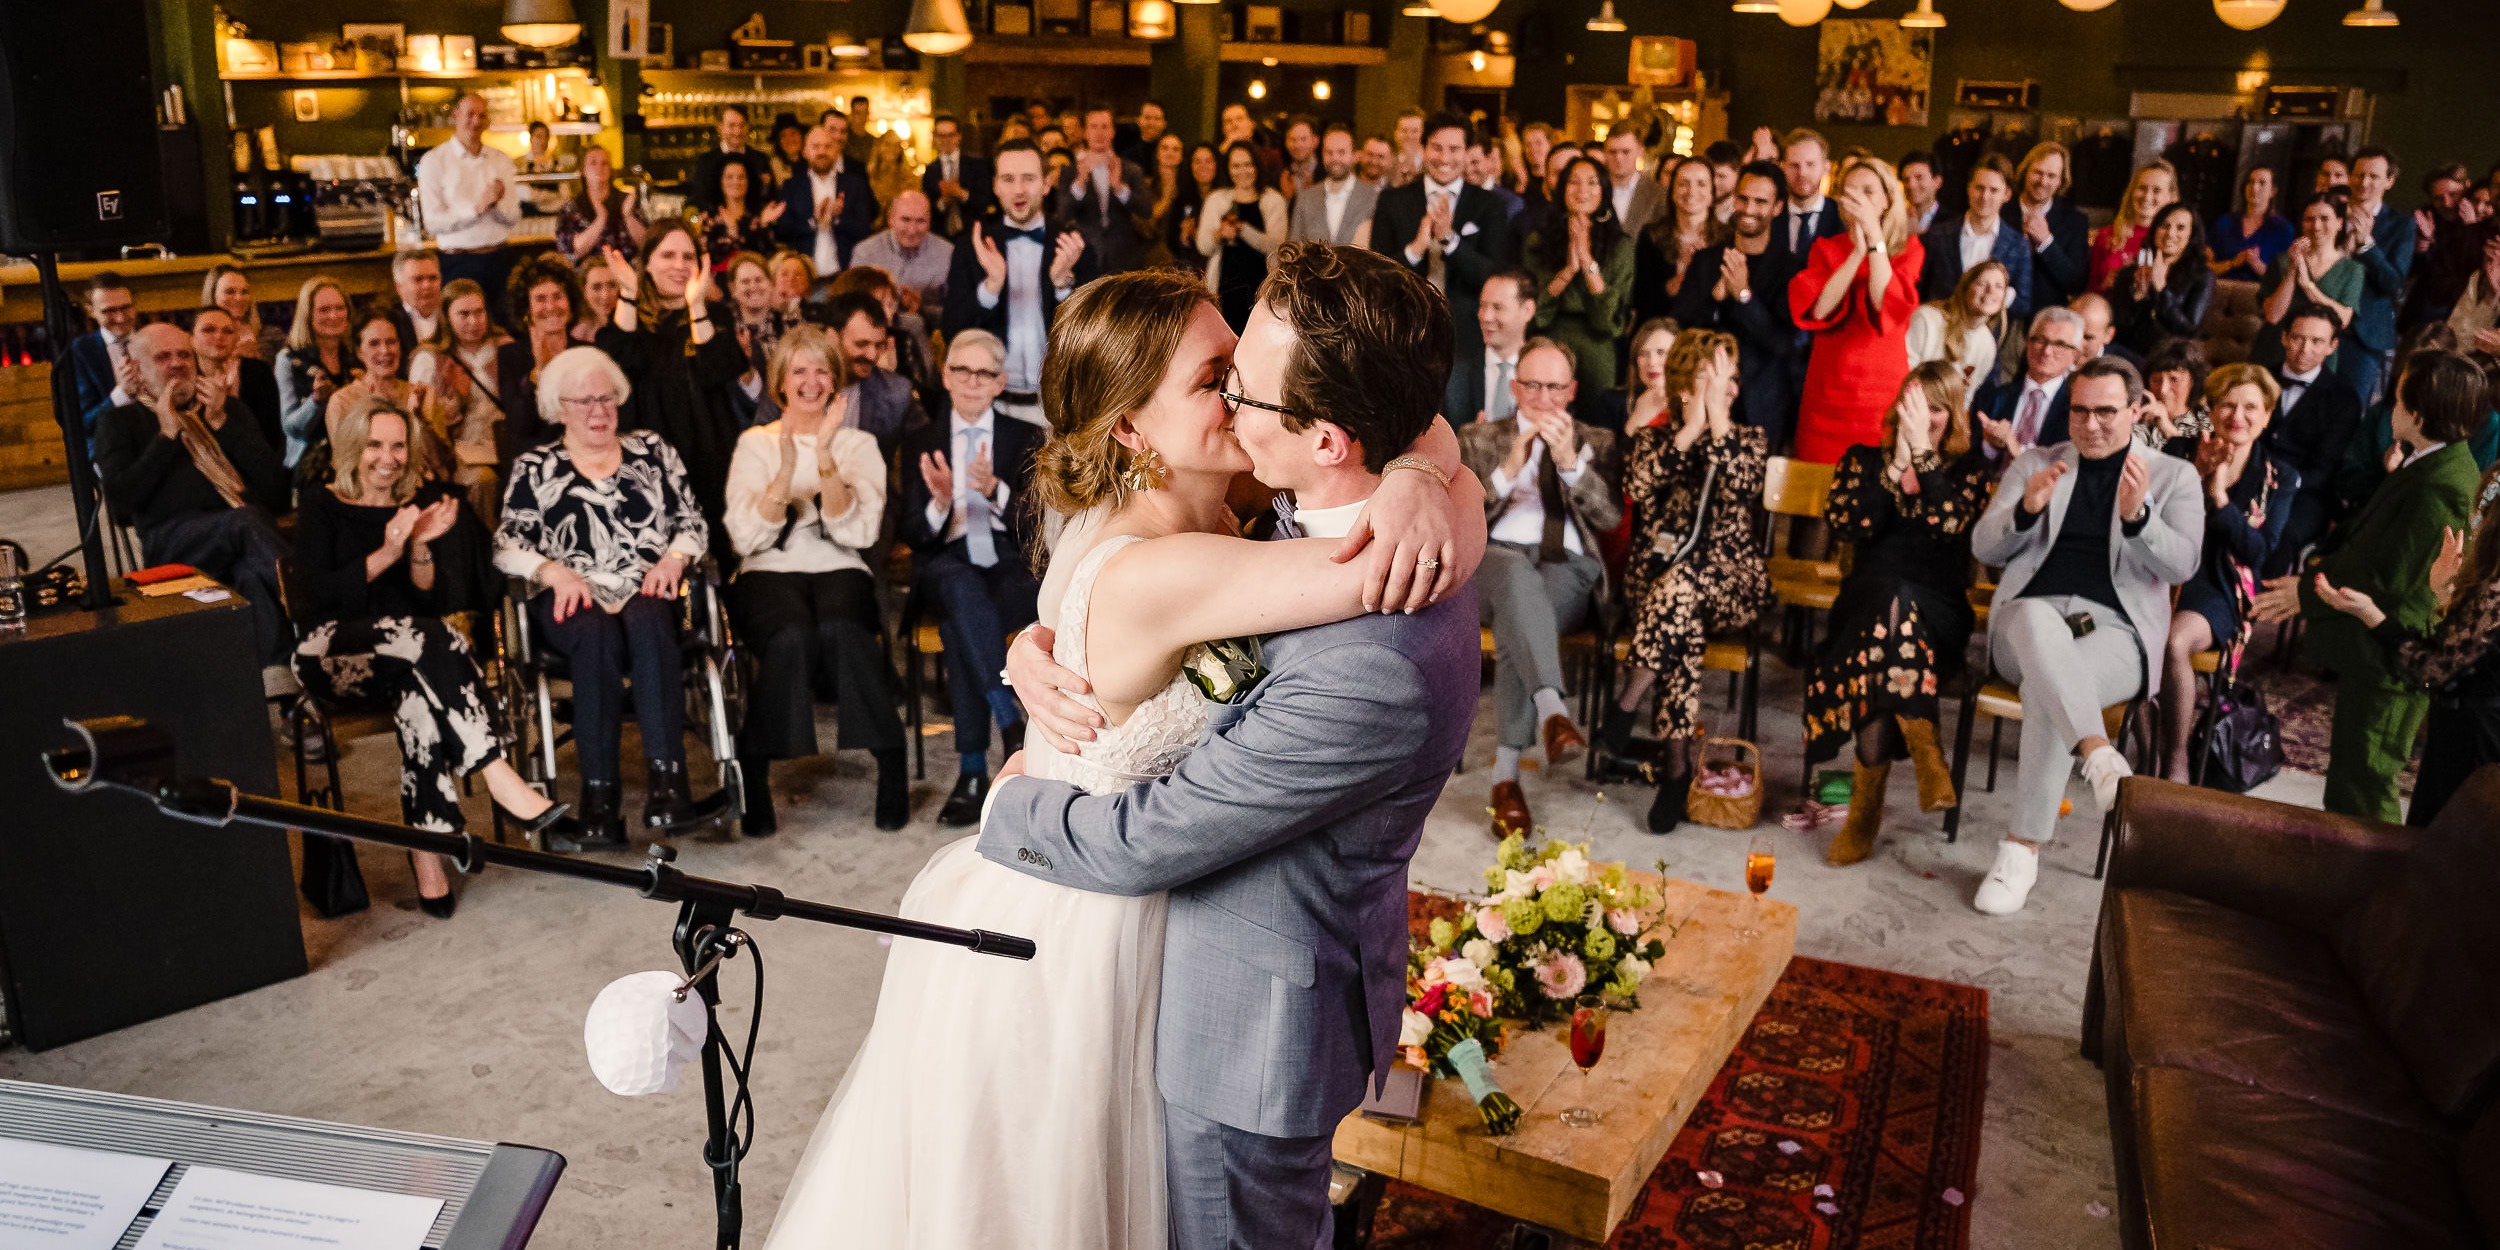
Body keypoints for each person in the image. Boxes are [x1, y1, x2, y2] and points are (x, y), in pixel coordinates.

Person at [766, 254, 1483, 1250]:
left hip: (1166, 911)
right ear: (1132, 433)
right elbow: (1388, 563)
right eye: (1211, 380)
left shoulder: (1232, 503)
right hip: (1080, 909)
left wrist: (1416, 471)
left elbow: (1391, 457)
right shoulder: (1174, 563)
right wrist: (1432, 489)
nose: (1237, 392)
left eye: (1238, 365)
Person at [292, 398, 573, 914]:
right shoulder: (320, 502)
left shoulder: (415, 504)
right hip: (328, 653)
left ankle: (429, 849)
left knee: (421, 692)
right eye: (376, 444)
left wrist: (420, 546)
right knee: (435, 639)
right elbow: (315, 599)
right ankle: (495, 769)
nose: (388, 457)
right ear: (354, 447)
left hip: (404, 658)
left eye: (398, 445)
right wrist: (390, 551)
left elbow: (429, 601)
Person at [1969, 357, 2203, 916]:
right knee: (2034, 623)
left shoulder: (2173, 476)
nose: (2091, 423)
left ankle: (2020, 850)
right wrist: (2025, 512)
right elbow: (1983, 547)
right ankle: (2097, 754)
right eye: (2080, 411)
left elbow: (2184, 565)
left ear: (2135, 410)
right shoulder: (2036, 462)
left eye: (2106, 411)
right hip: (2023, 627)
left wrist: (2139, 517)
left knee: (2048, 693)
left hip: (2117, 633)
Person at [495, 346, 721, 847]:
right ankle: (600, 801)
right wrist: (552, 572)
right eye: (584, 401)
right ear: (559, 407)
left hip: (647, 584)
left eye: (607, 399)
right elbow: (507, 544)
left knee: (647, 621)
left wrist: (674, 559)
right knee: (593, 634)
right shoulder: (536, 466)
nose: (598, 411)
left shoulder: (652, 452)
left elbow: (692, 521)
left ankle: (669, 787)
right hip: (571, 597)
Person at [2253, 349, 2483, 819]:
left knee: (2365, 785)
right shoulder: (2428, 465)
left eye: (2398, 399)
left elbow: (2391, 577)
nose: (2390, 407)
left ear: (2416, 413)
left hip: (2392, 657)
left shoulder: (2441, 484)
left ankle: (2375, 887)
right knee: (2350, 781)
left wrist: (2308, 590)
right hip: (2379, 652)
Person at [720, 327, 908, 835]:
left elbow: (860, 530)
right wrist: (784, 468)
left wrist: (824, 457)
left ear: (835, 381)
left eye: (821, 370)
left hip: (839, 565)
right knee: (790, 636)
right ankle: (755, 769)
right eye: (798, 370)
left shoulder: (858, 443)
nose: (810, 381)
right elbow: (745, 538)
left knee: (844, 631)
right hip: (767, 570)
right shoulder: (753, 444)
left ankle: (890, 755)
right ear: (781, 381)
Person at [1804, 361, 1994, 863]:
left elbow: (1950, 526)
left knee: (1894, 616)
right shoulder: (1863, 459)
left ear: (1952, 415)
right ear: (1897, 409)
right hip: (1865, 604)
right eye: (1915, 406)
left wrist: (1926, 461)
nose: (1923, 417)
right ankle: (1922, 740)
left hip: (1940, 613)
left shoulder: (1971, 471)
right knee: (1889, 606)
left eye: (1935, 407)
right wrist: (1894, 466)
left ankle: (1865, 814)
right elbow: (1849, 524)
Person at [1597, 330, 1767, 832]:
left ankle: (1627, 705)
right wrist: (1689, 429)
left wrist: (1716, 425)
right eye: (1714, 378)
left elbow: (1742, 484)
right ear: (1685, 385)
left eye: (1732, 379)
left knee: (1681, 592)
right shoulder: (1654, 438)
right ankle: (1676, 773)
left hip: (1731, 587)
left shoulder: (1748, 440)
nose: (1728, 388)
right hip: (1661, 590)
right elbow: (1636, 484)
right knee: (1679, 617)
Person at [1458, 337, 1620, 839]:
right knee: (1512, 576)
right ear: (1514, 385)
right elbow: (1461, 517)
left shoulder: (1600, 441)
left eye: (1554, 387)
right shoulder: (1478, 437)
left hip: (1566, 566)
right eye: (1532, 385)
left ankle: (1506, 779)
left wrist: (1570, 461)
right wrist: (1508, 469)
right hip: (1494, 560)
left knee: (1523, 621)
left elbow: (1610, 519)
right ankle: (1553, 711)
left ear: (1571, 391)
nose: (1543, 397)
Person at [895, 329, 1045, 825]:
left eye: (984, 374)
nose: (972, 382)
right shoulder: (920, 441)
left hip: (1007, 564)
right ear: (945, 375)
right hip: (947, 560)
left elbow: (1039, 529)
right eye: (962, 370)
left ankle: (973, 773)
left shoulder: (1025, 438)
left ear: (1001, 382)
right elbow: (914, 534)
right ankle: (1008, 717)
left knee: (965, 624)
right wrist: (941, 503)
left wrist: (997, 490)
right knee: (959, 590)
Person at [94, 324, 294, 678]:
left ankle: (280, 684)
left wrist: (222, 424)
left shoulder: (227, 410)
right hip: (174, 544)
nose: (178, 363)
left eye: (185, 354)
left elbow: (277, 493)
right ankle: (309, 601)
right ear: (136, 368)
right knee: (246, 521)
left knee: (251, 575)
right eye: (163, 356)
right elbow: (122, 504)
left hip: (246, 538)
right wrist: (167, 436)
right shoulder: (121, 421)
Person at [2310, 498, 2500, 828]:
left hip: (2475, 740)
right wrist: (2443, 591)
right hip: (2465, 730)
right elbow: (2465, 657)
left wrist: (2372, 616)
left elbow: (2433, 668)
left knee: (2453, 846)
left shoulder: (2496, 592)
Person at [2153, 363, 2296, 781]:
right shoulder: (2179, 451)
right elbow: (2150, 517)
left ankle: (2175, 758)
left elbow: (2259, 553)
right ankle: (2145, 755)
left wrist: (2219, 498)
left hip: (2221, 584)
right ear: (2210, 410)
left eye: (2251, 407)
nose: (2238, 416)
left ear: (2267, 415)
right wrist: (2196, 474)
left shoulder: (2278, 477)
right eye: (2227, 405)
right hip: (2161, 568)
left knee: (2174, 640)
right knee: (2133, 631)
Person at [596, 224, 749, 559]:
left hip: (708, 457)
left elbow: (718, 369)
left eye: (688, 257)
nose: (680, 265)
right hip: (645, 462)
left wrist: (696, 306)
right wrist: (628, 292)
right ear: (646, 263)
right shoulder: (629, 315)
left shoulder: (715, 314)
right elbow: (614, 367)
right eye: (667, 255)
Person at [944, 139, 1099, 429]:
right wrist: (991, 286)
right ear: (995, 186)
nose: (1018, 190)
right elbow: (953, 329)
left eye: (1028, 178)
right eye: (1008, 179)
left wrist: (1063, 286)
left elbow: (1095, 338)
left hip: (1057, 408)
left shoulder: (1075, 247)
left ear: (1045, 184)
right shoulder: (971, 247)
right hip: (990, 405)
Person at [1789, 153, 1926, 464]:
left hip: (1879, 389)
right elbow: (1820, 309)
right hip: (1828, 387)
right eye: (1850, 191)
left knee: (1872, 485)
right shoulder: (1827, 247)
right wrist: (1856, 253)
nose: (1858, 199)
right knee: (1813, 486)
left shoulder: (1907, 250)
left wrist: (1875, 240)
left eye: (1868, 191)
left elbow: (1885, 303)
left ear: (1888, 200)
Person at [1670, 160, 1800, 449]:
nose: (1749, 209)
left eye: (1760, 202)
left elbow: (1781, 343)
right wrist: (1715, 300)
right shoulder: (1707, 261)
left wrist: (1743, 296)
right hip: (1700, 403)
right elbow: (1681, 325)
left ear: (1778, 207)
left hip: (1762, 405)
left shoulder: (1791, 268)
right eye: (1743, 198)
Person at [1371, 113, 1517, 367]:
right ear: (1424, 148)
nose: (1445, 158)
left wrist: (1451, 241)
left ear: (1466, 152)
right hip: (1402, 330)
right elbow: (1376, 275)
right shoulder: (1392, 200)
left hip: (1466, 334)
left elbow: (1493, 275)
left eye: (1454, 149)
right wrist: (1415, 249)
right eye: (1437, 148)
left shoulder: (1489, 205)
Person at [1523, 156, 1635, 403]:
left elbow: (1609, 320)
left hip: (1597, 347)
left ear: (1604, 191)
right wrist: (1569, 270)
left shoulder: (1621, 246)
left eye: (1592, 182)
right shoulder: (1538, 241)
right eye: (1574, 182)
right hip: (1548, 341)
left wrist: (1587, 262)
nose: (1582, 190)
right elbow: (1534, 310)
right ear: (1562, 189)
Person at [2261, 310, 2365, 576]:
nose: (2305, 349)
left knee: (2282, 529)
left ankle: (2255, 604)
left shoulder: (2344, 398)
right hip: (2250, 474)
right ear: (2284, 338)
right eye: (2297, 338)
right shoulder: (2259, 377)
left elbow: (2326, 467)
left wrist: (2283, 484)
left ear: (2333, 346)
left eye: (2317, 341)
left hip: (2306, 492)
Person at [404, 279, 507, 520]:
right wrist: (458, 398)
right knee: (484, 481)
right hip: (458, 453)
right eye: (464, 314)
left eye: (479, 312)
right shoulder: (430, 358)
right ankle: (487, 550)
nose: (473, 321)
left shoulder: (504, 347)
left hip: (505, 444)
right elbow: (427, 423)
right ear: (447, 316)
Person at [415, 94, 522, 301]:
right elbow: (433, 223)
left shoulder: (500, 159)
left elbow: (513, 217)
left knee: (505, 327)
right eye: (470, 114)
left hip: (500, 258)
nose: (476, 121)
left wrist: (496, 203)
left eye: (482, 116)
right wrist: (476, 209)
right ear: (455, 115)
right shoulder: (434, 161)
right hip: (458, 261)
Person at [2340, 147, 2418, 403]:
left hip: (2364, 334)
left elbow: (2393, 283)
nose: (2364, 183)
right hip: (2319, 326)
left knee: (2351, 410)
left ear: (2389, 181)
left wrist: (2367, 246)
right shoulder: (2329, 212)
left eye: (2373, 176)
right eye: (2359, 175)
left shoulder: (2401, 224)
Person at [2253, 192, 2364, 370]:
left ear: (2339, 223)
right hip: (2274, 350)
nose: (2316, 226)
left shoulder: (2352, 269)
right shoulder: (2281, 261)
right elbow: (2273, 316)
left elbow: (2343, 319)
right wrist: (2293, 269)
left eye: (2324, 218)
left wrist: (2308, 286)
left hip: (2319, 357)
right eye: (2309, 219)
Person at [1919, 153, 2032, 318]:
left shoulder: (2018, 244)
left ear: (2006, 195)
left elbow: (2023, 303)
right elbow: (1920, 290)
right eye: (1979, 188)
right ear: (1969, 188)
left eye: (1993, 190)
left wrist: (1993, 294)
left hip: (1987, 336)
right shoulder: (1937, 235)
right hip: (1939, 329)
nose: (1985, 197)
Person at [497, 256, 586, 463]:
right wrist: (538, 371)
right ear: (526, 309)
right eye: (540, 299)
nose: (551, 306)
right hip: (535, 460)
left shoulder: (588, 353)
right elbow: (521, 425)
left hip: (583, 457)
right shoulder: (510, 356)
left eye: (558, 296)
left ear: (570, 304)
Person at [1195, 142, 1289, 331]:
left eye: (1248, 164)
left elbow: (1278, 247)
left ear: (1257, 166)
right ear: (1227, 169)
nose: (1242, 171)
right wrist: (1218, 234)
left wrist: (1244, 231)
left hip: (1262, 291)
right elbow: (1203, 247)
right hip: (1224, 290)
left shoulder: (1273, 199)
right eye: (1236, 166)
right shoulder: (1216, 199)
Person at [1974, 305, 2086, 458]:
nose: (2046, 351)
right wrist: (1990, 446)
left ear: (2075, 354)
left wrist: (2016, 448)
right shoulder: (1992, 397)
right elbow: (1968, 459)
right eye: (2040, 340)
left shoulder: (2079, 410)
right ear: (2027, 342)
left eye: (2059, 344)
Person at [2109, 202, 2215, 358]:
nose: (2170, 234)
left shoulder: (2202, 276)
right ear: (2155, 230)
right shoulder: (2129, 273)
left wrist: (2162, 290)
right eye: (2164, 226)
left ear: (2191, 235)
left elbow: (2189, 329)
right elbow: (2117, 328)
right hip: (2128, 352)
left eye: (2180, 228)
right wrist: (2138, 298)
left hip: (2172, 356)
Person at [772, 123, 877, 276]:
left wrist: (837, 218)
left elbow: (864, 230)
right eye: (816, 147)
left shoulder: (854, 185)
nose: (822, 152)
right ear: (805, 152)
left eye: (828, 146)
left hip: (845, 274)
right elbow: (782, 231)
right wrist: (813, 220)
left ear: (836, 151)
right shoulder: (792, 187)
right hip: (804, 275)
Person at [1632, 156, 1723, 331]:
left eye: (1701, 184)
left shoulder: (1725, 239)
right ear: (1672, 191)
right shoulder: (1652, 236)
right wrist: (1678, 281)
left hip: (1707, 336)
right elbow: (1641, 299)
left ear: (1712, 194)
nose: (1691, 192)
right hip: (1659, 332)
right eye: (1683, 184)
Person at [2005, 141, 2093, 317]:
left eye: (2051, 176)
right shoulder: (2001, 210)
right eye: (2037, 172)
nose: (2043, 181)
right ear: (2025, 172)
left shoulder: (2075, 222)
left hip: (2047, 319)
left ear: (2061, 181)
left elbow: (2076, 282)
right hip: (1999, 315)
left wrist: (2046, 243)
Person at [275, 278, 355, 467]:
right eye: (324, 310)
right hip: (310, 462)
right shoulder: (289, 359)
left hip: (353, 458)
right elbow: (291, 428)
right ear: (307, 315)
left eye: (340, 308)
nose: (334, 315)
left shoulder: (355, 355)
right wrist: (315, 402)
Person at [191, 305, 282, 455]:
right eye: (209, 330)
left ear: (236, 339)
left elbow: (271, 435)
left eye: (227, 331)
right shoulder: (184, 375)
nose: (219, 336)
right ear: (192, 339)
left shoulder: (258, 371)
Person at [1446, 270, 1534, 425]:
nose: (1485, 317)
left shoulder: (1547, 373)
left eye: (1498, 307)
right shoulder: (1453, 373)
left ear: (1527, 311)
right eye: (1483, 306)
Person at [1907, 259, 2010, 391]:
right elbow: (1903, 375)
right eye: (1982, 283)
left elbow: (1966, 399)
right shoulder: (1926, 319)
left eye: (1999, 286)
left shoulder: (1987, 345)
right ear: (1965, 288)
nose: (1990, 291)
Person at [850, 189, 954, 316]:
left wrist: (922, 304)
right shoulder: (865, 253)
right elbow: (854, 305)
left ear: (929, 222)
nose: (912, 230)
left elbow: (956, 307)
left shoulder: (948, 253)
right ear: (891, 219)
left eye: (920, 221)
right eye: (906, 220)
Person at [64, 273, 139, 445]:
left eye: (125, 308)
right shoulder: (79, 352)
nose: (120, 318)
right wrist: (122, 394)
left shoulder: (155, 339)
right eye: (109, 311)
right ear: (90, 311)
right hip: (110, 448)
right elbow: (83, 423)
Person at [2086, 160, 2178, 296]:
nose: (2147, 196)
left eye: (2157, 190)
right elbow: (2091, 290)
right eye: (2142, 188)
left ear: (2171, 197)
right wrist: (2107, 285)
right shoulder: (2107, 235)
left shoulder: (2177, 241)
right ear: (2131, 191)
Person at [1585, 317, 1678, 434]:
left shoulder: (1692, 405)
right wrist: (1636, 421)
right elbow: (1598, 452)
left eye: (1661, 352)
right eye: (1643, 354)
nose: (1652, 362)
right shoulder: (1610, 403)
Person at [556, 145, 647, 263]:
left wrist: (628, 216)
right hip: (587, 276)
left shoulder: (627, 200)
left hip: (627, 271)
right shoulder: (571, 208)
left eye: (605, 163)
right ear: (583, 170)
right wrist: (601, 218)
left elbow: (646, 245)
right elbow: (572, 254)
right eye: (593, 163)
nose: (599, 167)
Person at [2210, 165, 2294, 283]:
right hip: (2221, 289)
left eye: (2262, 183)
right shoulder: (2225, 222)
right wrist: (2232, 263)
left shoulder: (2283, 229)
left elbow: (2284, 280)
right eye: (2250, 182)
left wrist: (2257, 264)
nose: (2254, 188)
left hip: (2258, 294)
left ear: (2273, 191)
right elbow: (2204, 268)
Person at [699, 161, 784, 274]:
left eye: (741, 177)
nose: (736, 182)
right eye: (729, 177)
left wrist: (763, 224)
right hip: (718, 282)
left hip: (754, 279)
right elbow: (706, 256)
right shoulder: (709, 217)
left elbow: (767, 256)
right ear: (720, 182)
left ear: (749, 182)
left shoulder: (760, 215)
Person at [690, 104, 774, 213]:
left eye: (742, 125)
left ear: (748, 127)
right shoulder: (706, 161)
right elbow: (699, 198)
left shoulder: (759, 159)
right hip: (717, 225)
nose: (737, 132)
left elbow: (770, 197)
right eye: (732, 126)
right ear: (720, 128)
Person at [922, 114, 992, 241]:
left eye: (950, 135)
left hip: (973, 234)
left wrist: (961, 193)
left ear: (959, 136)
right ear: (935, 138)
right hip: (941, 236)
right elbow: (927, 209)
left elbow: (985, 200)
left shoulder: (977, 164)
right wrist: (943, 202)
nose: (946, 140)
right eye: (941, 136)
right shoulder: (930, 170)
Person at [2136, 337, 2213, 447]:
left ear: (2193, 381)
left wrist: (2168, 431)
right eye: (2156, 380)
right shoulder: (2138, 418)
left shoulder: (2207, 422)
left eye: (2174, 379)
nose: (2163, 390)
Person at [200, 263, 274, 361]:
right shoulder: (197, 341)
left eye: (244, 292)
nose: (239, 298)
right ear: (212, 295)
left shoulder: (271, 335)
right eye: (230, 292)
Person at [384, 248, 446, 361]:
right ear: (399, 287)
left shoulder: (451, 314)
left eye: (433, 278)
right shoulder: (389, 321)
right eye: (418, 279)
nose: (427, 285)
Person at [1603, 130, 1665, 236]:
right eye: (1612, 152)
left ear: (1640, 151)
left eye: (1626, 152)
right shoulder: (1595, 190)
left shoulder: (1658, 194)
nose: (1618, 158)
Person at [1900, 150, 1942, 234]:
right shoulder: (1896, 219)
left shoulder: (1954, 221)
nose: (1911, 185)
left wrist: (1916, 235)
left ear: (1937, 182)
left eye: (1919, 177)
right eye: (1906, 180)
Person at [1279, 117, 1320, 198]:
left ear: (1315, 141)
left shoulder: (1327, 174)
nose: (1298, 145)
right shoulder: (1283, 176)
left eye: (1303, 139)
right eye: (1293, 139)